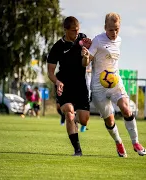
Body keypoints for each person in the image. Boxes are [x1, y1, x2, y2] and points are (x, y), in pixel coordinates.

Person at [81, 12, 146, 157]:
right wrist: (85, 56)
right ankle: (118, 142)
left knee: (126, 109)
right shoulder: (98, 40)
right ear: (105, 27)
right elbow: (86, 63)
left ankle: (135, 142)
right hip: (98, 87)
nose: (114, 32)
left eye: (117, 29)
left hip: (116, 82)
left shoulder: (119, 41)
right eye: (111, 29)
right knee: (110, 120)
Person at [47, 16, 92, 156]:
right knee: (69, 112)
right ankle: (77, 150)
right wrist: (57, 82)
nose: (76, 33)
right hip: (64, 85)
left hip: (80, 85)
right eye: (73, 31)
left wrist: (86, 56)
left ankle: (75, 121)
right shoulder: (57, 47)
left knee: (84, 120)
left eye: (78, 30)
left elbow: (86, 64)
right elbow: (50, 72)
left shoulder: (82, 39)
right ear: (65, 30)